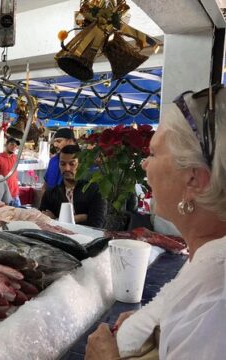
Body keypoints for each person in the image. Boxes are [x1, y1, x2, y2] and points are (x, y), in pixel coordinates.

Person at [85, 86, 226, 359]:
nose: (145, 165)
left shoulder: (216, 297)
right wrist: (149, 324)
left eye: (154, 153)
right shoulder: (208, 256)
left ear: (193, 178)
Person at [39, 145, 106, 228]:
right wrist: (81, 217)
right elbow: (42, 222)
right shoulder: (51, 194)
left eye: (72, 164)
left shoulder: (94, 190)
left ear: (81, 164)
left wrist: (56, 220)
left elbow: (96, 224)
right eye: (62, 164)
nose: (67, 168)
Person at [0, 137, 21, 207]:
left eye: (15, 145)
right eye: (11, 144)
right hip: (4, 195)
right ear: (6, 145)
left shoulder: (15, 157)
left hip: (15, 194)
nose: (14, 147)